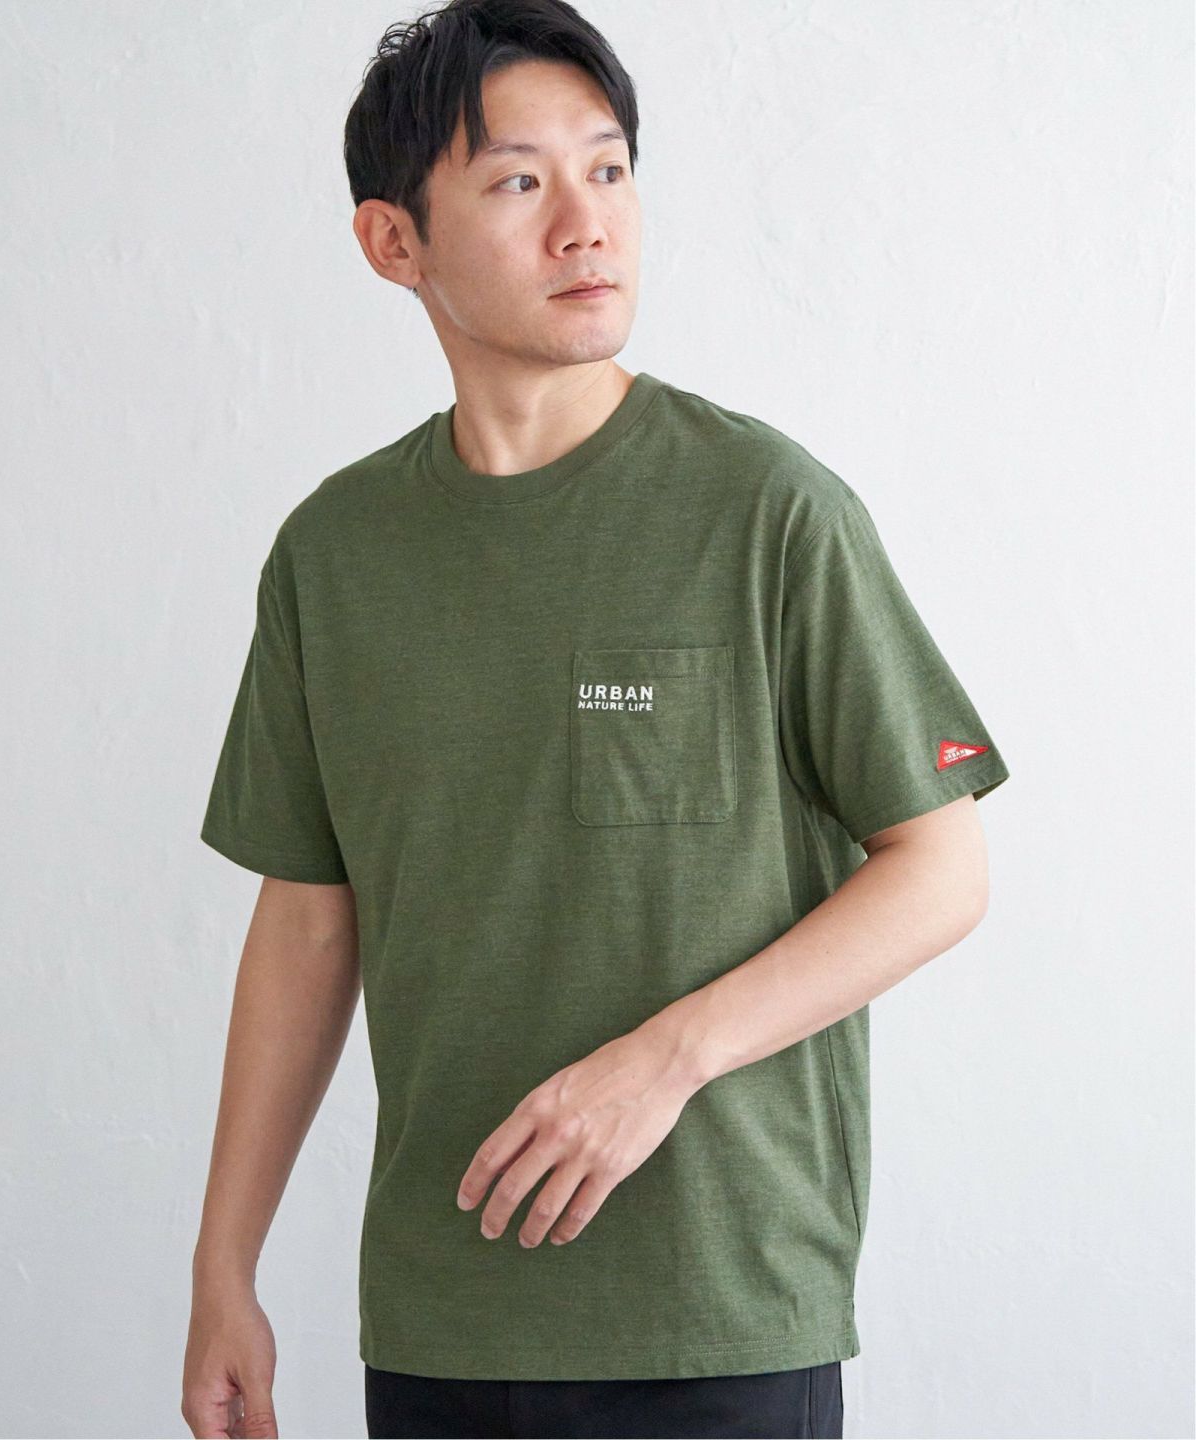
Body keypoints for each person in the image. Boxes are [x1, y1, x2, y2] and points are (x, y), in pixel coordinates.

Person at [182, 1, 1011, 1436]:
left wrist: (663, 1062)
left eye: (609, 169)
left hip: (721, 1313)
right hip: (444, 1318)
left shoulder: (768, 511)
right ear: (393, 242)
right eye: (520, 181)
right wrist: (222, 1264)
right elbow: (309, 923)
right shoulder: (334, 556)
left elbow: (942, 870)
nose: (587, 223)